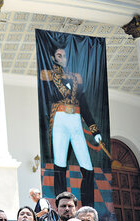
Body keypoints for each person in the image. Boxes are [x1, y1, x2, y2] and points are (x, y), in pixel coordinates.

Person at [40, 45, 103, 208]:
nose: (62, 58)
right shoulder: (49, 77)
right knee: (60, 165)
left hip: (76, 120)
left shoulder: (76, 79)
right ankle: (63, 205)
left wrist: (94, 129)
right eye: (59, 55)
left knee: (88, 167)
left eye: (64, 55)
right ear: (53, 58)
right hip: (60, 119)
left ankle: (88, 207)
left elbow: (84, 105)